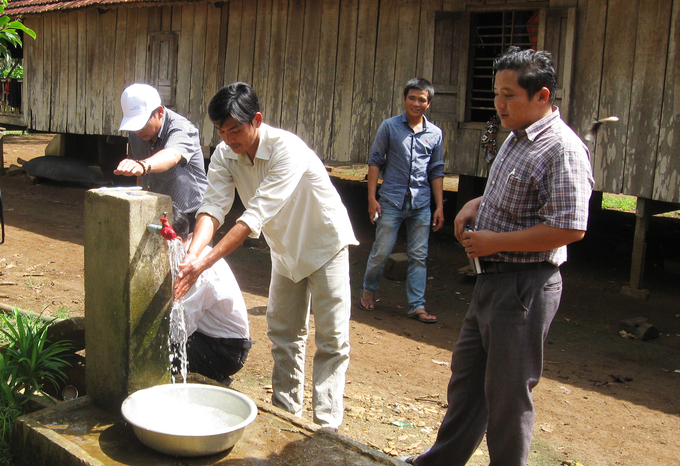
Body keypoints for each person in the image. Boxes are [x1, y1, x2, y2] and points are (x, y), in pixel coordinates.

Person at [405, 47, 594, 466]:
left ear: (542, 96)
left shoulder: (562, 149)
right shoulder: (515, 135)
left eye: (509, 95)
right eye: (496, 94)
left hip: (524, 286)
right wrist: (477, 203)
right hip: (491, 280)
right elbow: (512, 192)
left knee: (508, 395)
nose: (499, 104)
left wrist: (497, 242)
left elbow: (570, 227)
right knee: (468, 381)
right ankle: (440, 461)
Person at [173, 82, 358, 429]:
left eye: (235, 130)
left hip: (324, 244)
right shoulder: (227, 155)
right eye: (222, 131)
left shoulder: (287, 149)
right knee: (284, 334)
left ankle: (326, 428)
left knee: (332, 339)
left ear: (256, 119)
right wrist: (192, 253)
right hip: (285, 249)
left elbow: (252, 216)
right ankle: (286, 415)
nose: (229, 139)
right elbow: (213, 208)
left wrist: (203, 263)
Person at [359, 78, 444, 324]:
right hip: (391, 202)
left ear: (428, 104)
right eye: (412, 98)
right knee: (382, 250)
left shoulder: (435, 134)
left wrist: (439, 206)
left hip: (421, 204)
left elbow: (436, 171)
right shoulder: (390, 127)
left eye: (422, 100)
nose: (416, 103)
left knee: (419, 255)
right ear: (405, 99)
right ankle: (368, 290)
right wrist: (372, 198)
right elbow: (375, 161)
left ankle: (416, 305)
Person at [169, 210, 251, 386]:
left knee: (161, 355)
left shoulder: (192, 268)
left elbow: (178, 332)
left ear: (175, 243)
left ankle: (213, 380)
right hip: (208, 336)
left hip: (227, 351)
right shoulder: (189, 248)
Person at [115, 83, 208, 230]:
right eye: (134, 126)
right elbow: (141, 177)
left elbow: (171, 155)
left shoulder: (182, 129)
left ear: (159, 112)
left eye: (143, 124)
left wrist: (143, 165)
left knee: (190, 253)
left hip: (190, 216)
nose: (138, 130)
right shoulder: (135, 134)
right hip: (154, 212)